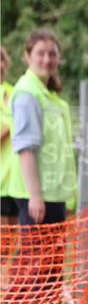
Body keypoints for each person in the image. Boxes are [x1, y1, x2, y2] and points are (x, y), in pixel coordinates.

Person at [8, 29, 77, 226]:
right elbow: (25, 148)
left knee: (50, 248)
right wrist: (36, 195)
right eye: (41, 53)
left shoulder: (50, 96)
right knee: (35, 248)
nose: (47, 59)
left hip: (53, 195)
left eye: (52, 54)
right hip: (37, 197)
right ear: (27, 56)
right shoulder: (27, 93)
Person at [1, 46, 18, 230]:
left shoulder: (14, 92)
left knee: (15, 239)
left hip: (16, 181)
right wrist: (13, 125)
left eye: (1, 59)